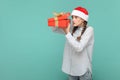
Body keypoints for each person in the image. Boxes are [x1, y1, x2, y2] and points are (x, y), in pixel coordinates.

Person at [52, 6, 94, 80]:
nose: (73, 20)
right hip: (72, 70)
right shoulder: (72, 27)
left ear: (83, 19)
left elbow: (79, 48)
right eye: (72, 17)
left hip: (83, 70)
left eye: (76, 17)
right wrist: (60, 19)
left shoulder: (89, 30)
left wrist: (67, 33)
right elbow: (55, 29)